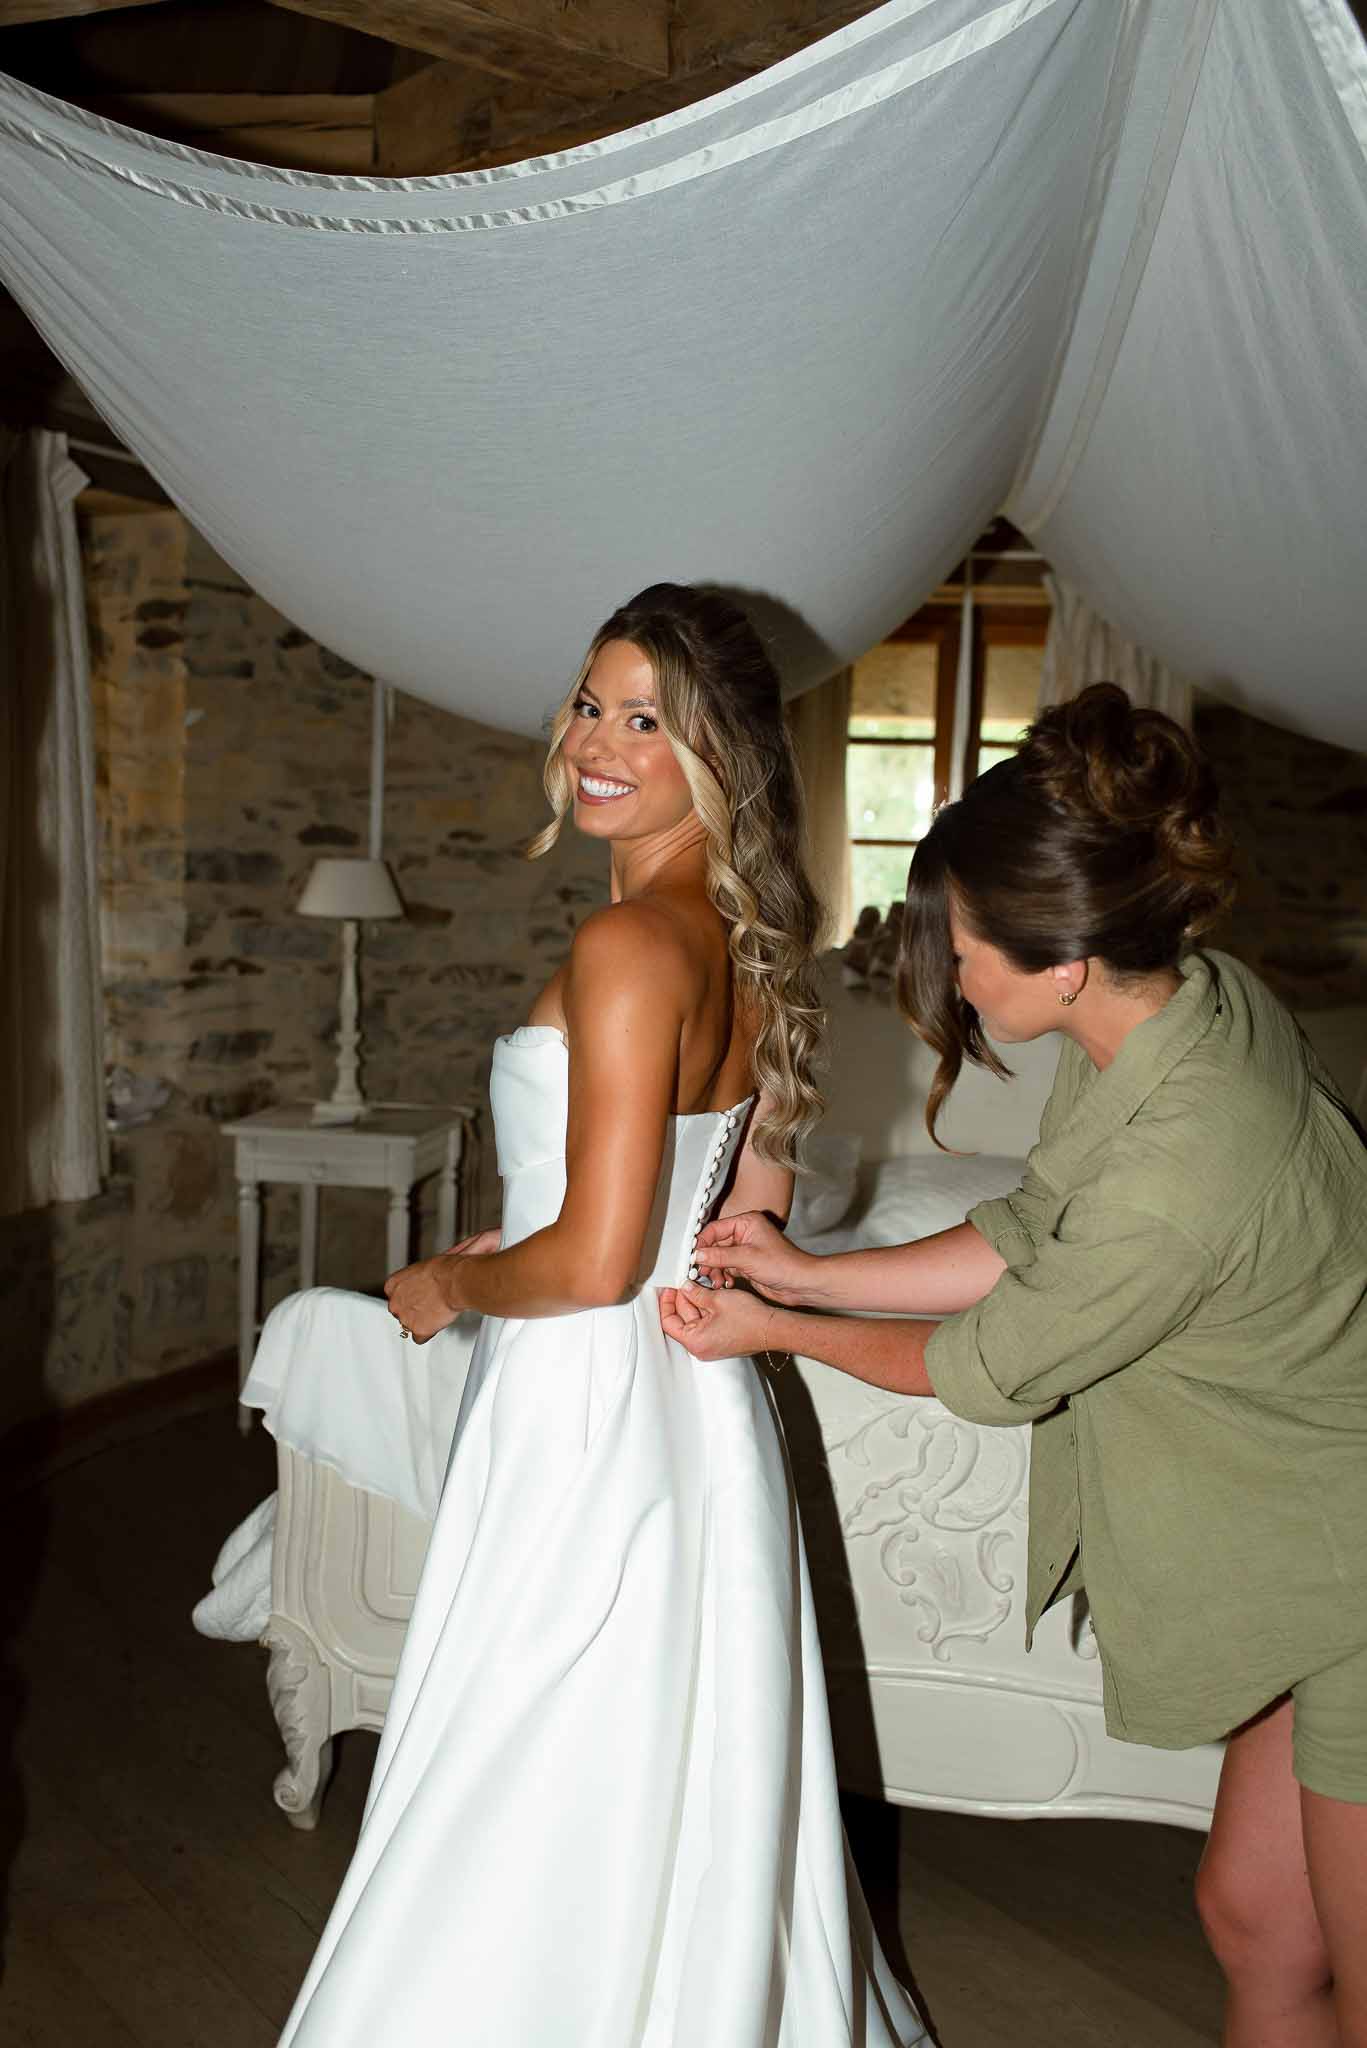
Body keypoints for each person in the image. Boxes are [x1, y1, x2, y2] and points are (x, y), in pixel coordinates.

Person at [663, 683, 1367, 2048]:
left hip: (1358, 1569)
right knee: (1258, 1919)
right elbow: (1039, 1223)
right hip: (1319, 1549)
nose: (956, 975)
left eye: (968, 947)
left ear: (1061, 963)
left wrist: (782, 1333)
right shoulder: (1182, 1007)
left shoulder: (1184, 1169)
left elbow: (984, 1367)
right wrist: (807, 1266)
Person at [277, 585, 926, 2046]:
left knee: (537, 1750)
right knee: (650, 1756)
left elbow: (587, 1265)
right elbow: (736, 1203)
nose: (597, 742)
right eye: (590, 702)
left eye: (649, 719)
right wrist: (573, 1223)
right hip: (687, 1410)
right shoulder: (738, 940)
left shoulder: (632, 948)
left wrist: (449, 1283)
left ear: (722, 757)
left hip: (584, 1408)